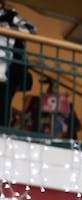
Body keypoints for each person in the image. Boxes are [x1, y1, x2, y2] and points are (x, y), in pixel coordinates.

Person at [0, 0, 36, 131]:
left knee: (3, 104)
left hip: (7, 70)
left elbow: (30, 29)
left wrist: (7, 27)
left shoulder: (10, 16)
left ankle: (2, 134)